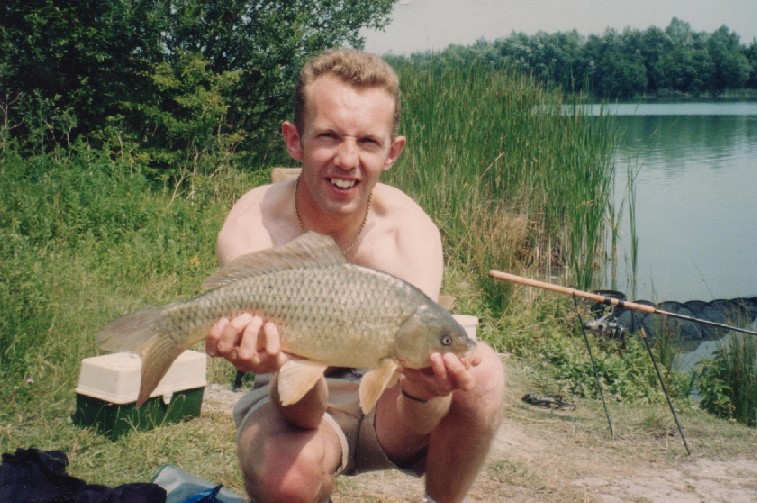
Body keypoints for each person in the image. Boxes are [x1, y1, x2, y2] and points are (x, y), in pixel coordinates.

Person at [204, 49, 505, 503]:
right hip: (291, 402)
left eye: (368, 142)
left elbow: (419, 416)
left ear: (392, 152)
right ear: (294, 140)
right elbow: (298, 408)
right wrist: (278, 362)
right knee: (288, 476)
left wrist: (426, 392)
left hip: (390, 407)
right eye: (328, 136)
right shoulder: (254, 226)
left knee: (483, 375)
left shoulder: (409, 234)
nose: (347, 160)